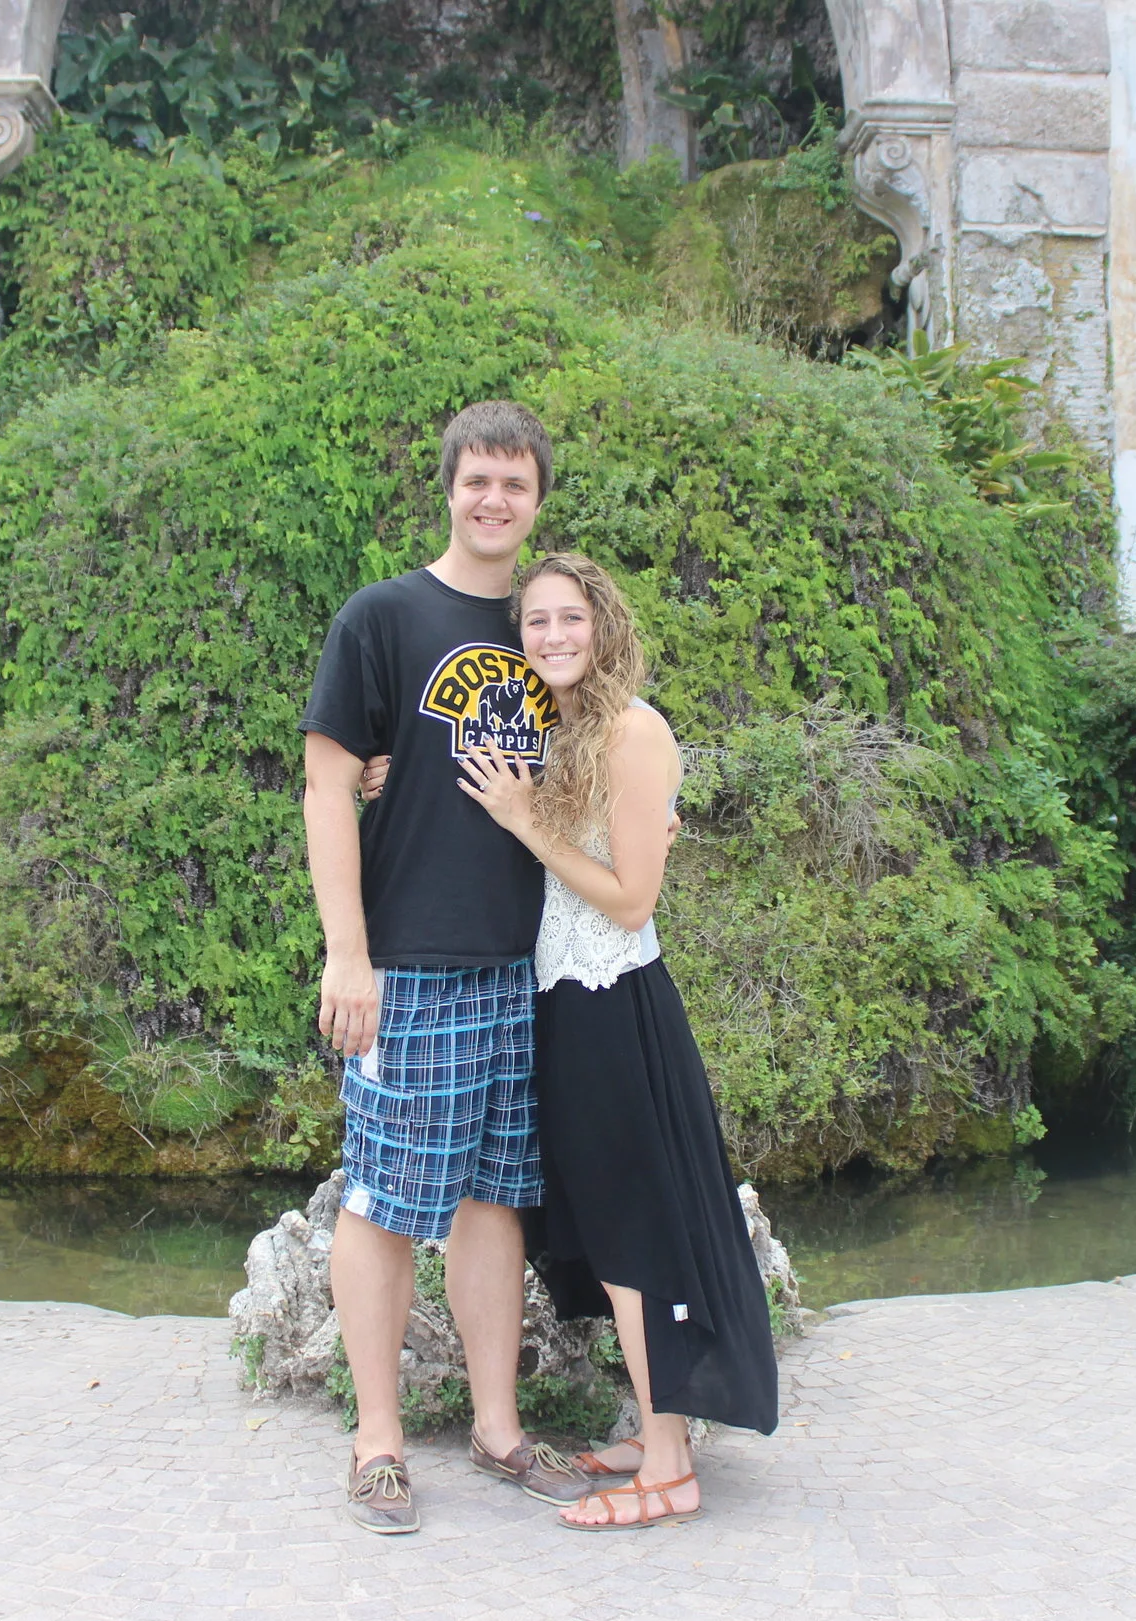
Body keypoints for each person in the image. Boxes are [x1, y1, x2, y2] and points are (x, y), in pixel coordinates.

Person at [297, 401, 593, 1535]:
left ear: (535, 498)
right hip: (408, 962)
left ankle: (497, 1427)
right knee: (379, 1201)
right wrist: (347, 950)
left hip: (530, 965)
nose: (493, 500)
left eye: (514, 484)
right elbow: (328, 785)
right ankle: (377, 1440)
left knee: (494, 1198)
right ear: (449, 487)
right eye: (477, 480)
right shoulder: (382, 617)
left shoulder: (551, 630)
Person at [455, 552, 781, 1530]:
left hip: (615, 999)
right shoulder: (557, 730)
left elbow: (632, 897)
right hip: (562, 1002)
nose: (552, 637)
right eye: (536, 623)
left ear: (601, 624)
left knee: (637, 1230)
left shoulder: (635, 730)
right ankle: (658, 1424)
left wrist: (527, 824)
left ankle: (669, 1468)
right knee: (605, 1229)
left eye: (569, 619)